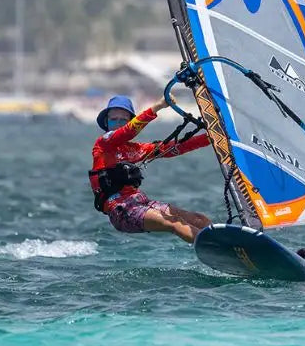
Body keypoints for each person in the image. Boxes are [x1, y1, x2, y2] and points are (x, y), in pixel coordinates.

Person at [87, 94, 215, 243]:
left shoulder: (133, 149)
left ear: (129, 121)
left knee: (197, 219)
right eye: (113, 119)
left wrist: (209, 138)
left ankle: (226, 241)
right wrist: (158, 106)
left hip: (140, 202)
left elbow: (172, 148)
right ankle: (216, 248)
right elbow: (128, 131)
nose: (118, 123)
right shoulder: (103, 144)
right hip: (122, 211)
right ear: (106, 122)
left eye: (123, 120)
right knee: (173, 222)